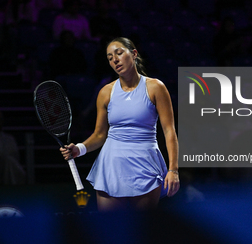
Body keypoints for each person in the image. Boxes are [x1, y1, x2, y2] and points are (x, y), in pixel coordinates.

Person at [60, 37, 180, 211]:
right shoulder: (105, 92)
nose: (114, 60)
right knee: (111, 234)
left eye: (119, 53)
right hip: (112, 166)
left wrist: (173, 170)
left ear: (134, 54)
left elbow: (169, 131)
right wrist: (80, 148)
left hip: (145, 166)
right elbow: (100, 135)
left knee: (144, 234)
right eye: (109, 57)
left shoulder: (155, 87)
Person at [0, 109, 26, 185]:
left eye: (0, 120)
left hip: (9, 166)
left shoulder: (10, 139)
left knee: (9, 163)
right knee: (7, 162)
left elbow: (15, 158)